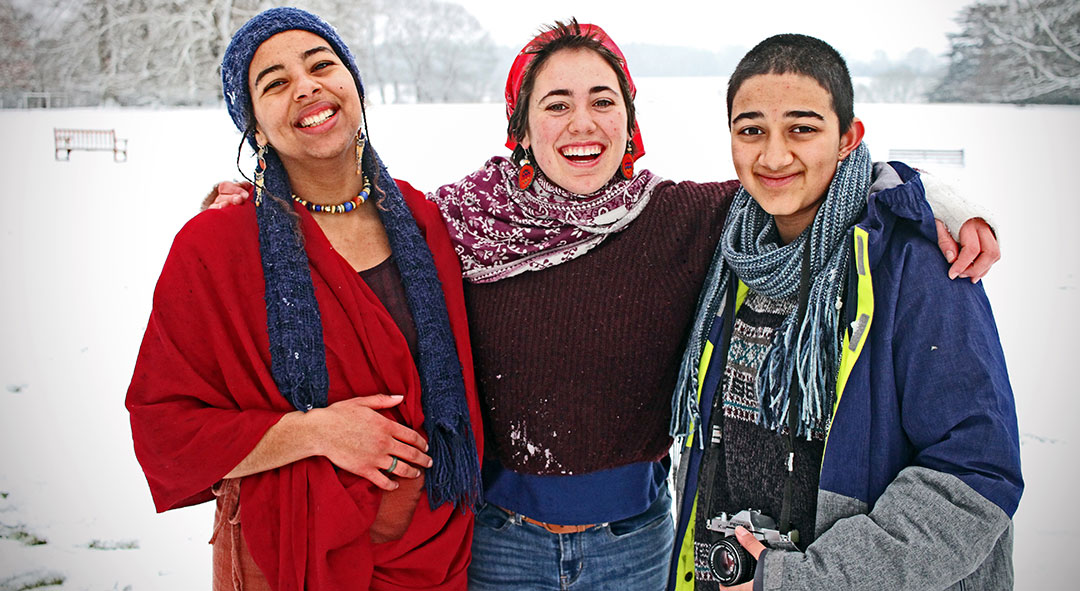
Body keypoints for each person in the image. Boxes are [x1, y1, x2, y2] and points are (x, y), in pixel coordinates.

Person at [209, 20, 1001, 590]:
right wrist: (258, 205)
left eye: (602, 101)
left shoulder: (682, 218)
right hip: (498, 544)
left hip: (637, 544)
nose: (581, 124)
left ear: (630, 121)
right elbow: (351, 215)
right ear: (520, 125)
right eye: (555, 104)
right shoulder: (452, 224)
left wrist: (936, 201)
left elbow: (812, 179)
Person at [126, 8, 482, 591]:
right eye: (275, 82)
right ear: (257, 129)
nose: (307, 86)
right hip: (288, 554)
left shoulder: (423, 221)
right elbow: (165, 430)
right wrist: (315, 432)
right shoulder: (216, 244)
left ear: (354, 89)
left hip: (433, 552)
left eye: (321, 65)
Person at [668, 34, 1022, 591]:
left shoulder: (919, 267)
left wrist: (801, 581)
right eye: (751, 130)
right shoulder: (726, 253)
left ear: (847, 138)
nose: (774, 155)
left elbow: (973, 477)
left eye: (803, 129)